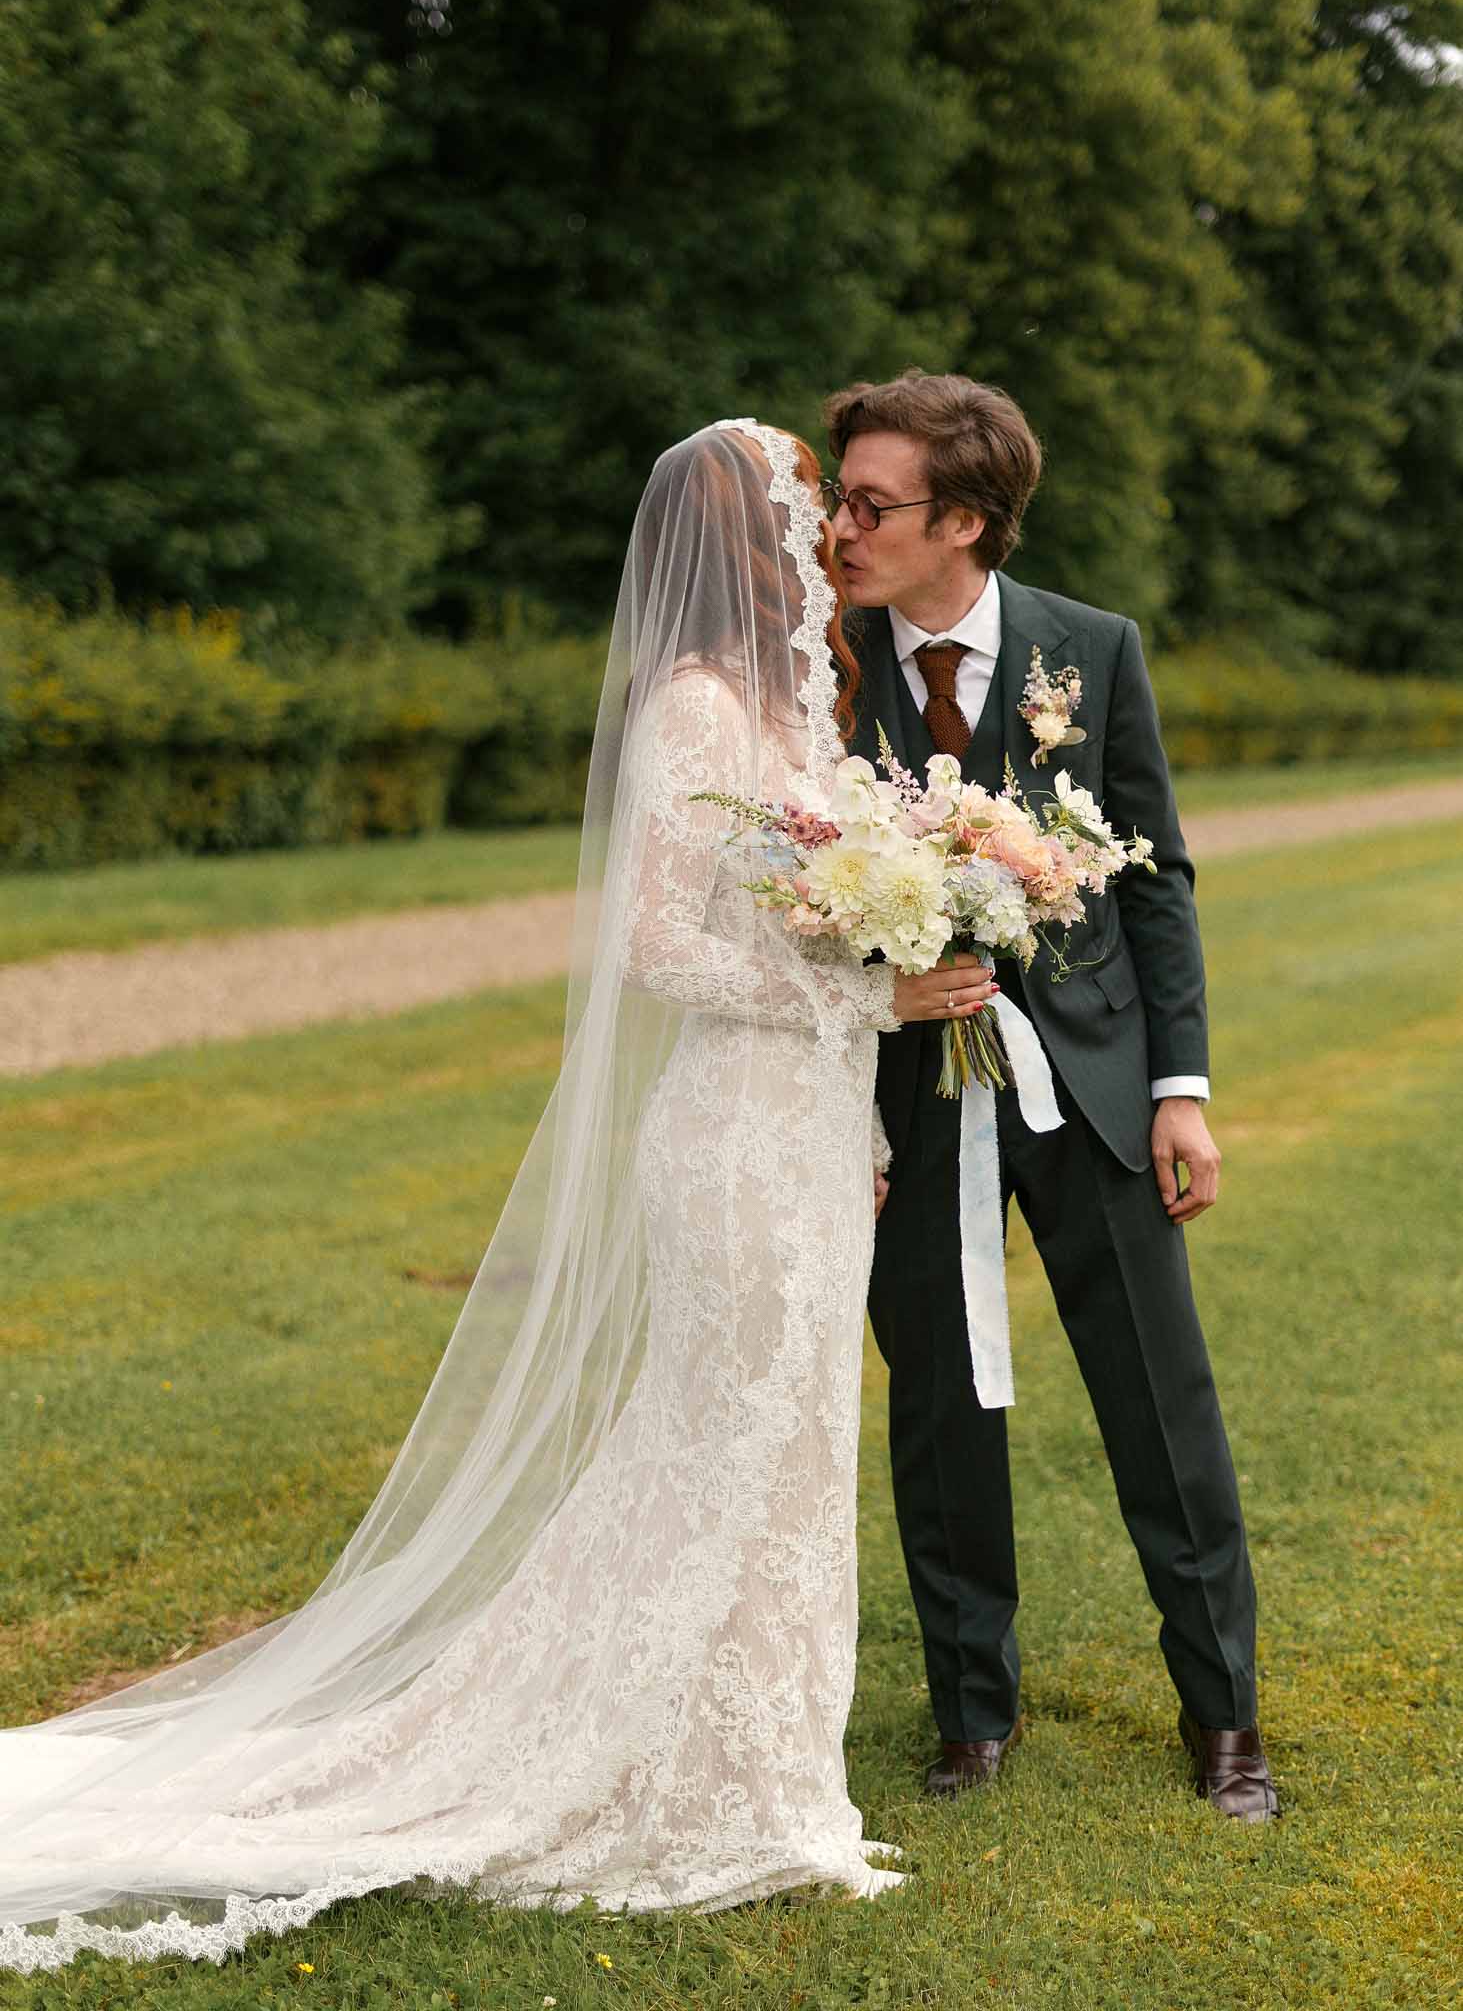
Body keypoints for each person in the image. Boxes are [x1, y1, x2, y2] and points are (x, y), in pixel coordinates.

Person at [0, 420, 995, 1976]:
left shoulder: (795, 710)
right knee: (721, 1443)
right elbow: (656, 948)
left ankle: (755, 1771)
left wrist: (861, 1101)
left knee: (789, 1450)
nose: (832, 532)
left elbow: (804, 921)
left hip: (806, 1134)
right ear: (751, 535)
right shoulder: (694, 708)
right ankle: (678, 1779)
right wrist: (873, 1001)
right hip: (730, 1138)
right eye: (811, 503)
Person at [827, 369, 1278, 1822]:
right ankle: (972, 1713)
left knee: (1162, 1402)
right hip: (908, 1095)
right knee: (938, 1408)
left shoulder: (1093, 648)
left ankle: (1224, 1718)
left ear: (963, 520)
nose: (841, 530)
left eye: (872, 505)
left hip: (1092, 1084)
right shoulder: (817, 661)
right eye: (842, 499)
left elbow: (1157, 880)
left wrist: (1180, 1090)